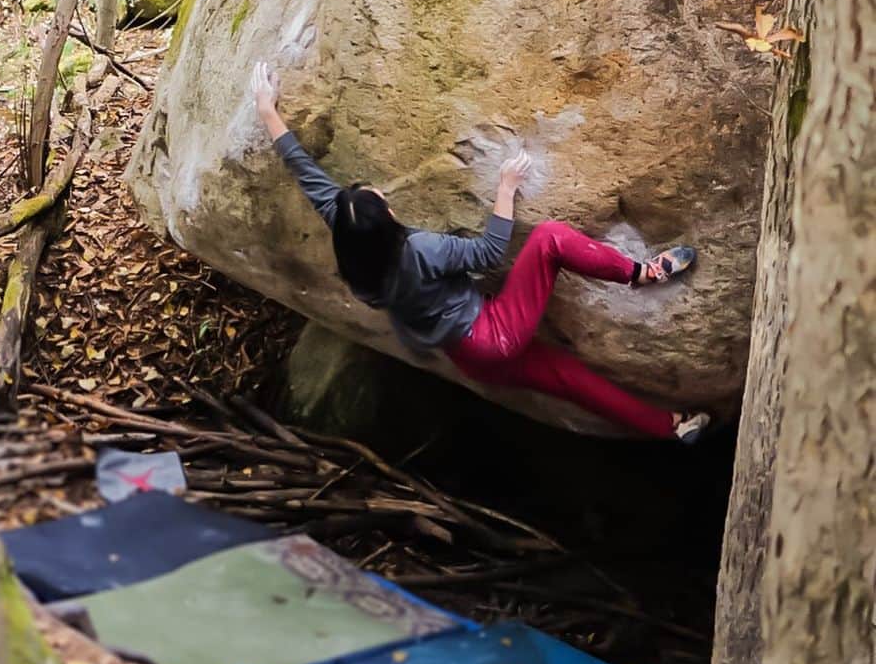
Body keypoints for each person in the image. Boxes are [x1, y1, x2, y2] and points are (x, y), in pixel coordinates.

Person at [252, 62, 710, 444]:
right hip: (493, 334)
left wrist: (266, 110)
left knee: (575, 383)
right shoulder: (422, 250)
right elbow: (491, 252)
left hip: (468, 356)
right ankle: (641, 273)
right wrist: (506, 188)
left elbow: (303, 171)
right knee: (550, 237)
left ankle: (671, 428)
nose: (379, 193)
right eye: (379, 199)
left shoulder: (354, 249)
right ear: (387, 219)